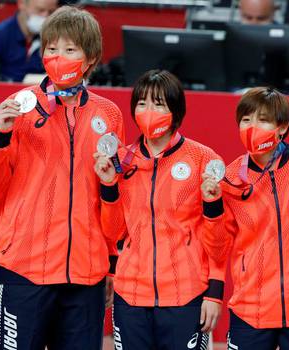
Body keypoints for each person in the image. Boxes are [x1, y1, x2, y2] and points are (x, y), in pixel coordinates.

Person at [0, 6, 124, 349]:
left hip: (85, 272)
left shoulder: (108, 114)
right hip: (24, 268)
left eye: (70, 49)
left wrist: (111, 264)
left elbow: (112, 199)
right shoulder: (19, 106)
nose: (58, 57)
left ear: (90, 59)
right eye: (51, 49)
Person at [94, 69, 226, 349]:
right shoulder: (120, 161)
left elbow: (218, 242)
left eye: (159, 103)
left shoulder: (203, 159)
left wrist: (214, 294)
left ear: (176, 111)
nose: (148, 110)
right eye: (142, 103)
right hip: (130, 295)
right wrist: (108, 186)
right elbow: (115, 232)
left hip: (185, 295)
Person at [202, 87, 289, 350]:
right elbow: (217, 248)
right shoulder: (229, 178)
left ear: (282, 127)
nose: (252, 127)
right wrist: (212, 205)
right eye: (246, 120)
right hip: (251, 310)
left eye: (262, 119)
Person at [0, 0, 59, 82]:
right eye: (40, 10)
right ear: (21, 4)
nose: (45, 17)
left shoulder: (55, 39)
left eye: (51, 12)